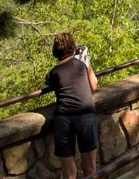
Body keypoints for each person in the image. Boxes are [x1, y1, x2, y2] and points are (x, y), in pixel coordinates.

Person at [46, 33, 99, 179]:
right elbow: (94, 86)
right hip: (85, 115)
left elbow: (51, 82)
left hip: (63, 119)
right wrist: (82, 56)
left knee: (69, 173)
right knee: (90, 168)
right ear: (73, 46)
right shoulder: (83, 61)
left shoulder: (53, 72)